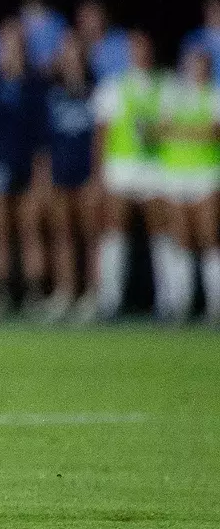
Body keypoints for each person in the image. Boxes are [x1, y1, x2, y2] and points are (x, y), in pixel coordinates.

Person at [0, 19, 49, 316]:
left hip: (28, 165)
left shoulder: (35, 83)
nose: (7, 49)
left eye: (13, 43)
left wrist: (41, 173)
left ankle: (34, 293)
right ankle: (1, 292)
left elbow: (41, 133)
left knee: (29, 229)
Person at [93, 30, 162, 320]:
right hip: (121, 170)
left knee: (162, 233)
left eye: (144, 49)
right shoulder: (113, 87)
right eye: (135, 49)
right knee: (114, 232)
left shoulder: (165, 86)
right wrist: (98, 174)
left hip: (156, 170)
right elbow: (102, 134)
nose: (140, 55)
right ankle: (111, 299)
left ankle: (171, 301)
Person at [150, 46, 218, 323]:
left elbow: (213, 133)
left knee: (209, 238)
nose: (197, 70)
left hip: (206, 176)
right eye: (192, 64)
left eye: (202, 65)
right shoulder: (172, 95)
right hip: (174, 176)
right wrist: (193, 132)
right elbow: (154, 132)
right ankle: (181, 303)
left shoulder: (214, 95)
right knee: (181, 240)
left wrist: (175, 131)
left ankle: (215, 304)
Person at [42, 30, 97, 322]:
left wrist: (97, 176)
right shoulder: (53, 92)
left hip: (86, 171)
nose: (70, 57)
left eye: (74, 51)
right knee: (62, 234)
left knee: (89, 234)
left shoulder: (95, 87)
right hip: (60, 170)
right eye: (65, 51)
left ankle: (92, 293)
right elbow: (45, 139)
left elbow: (99, 137)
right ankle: (65, 291)